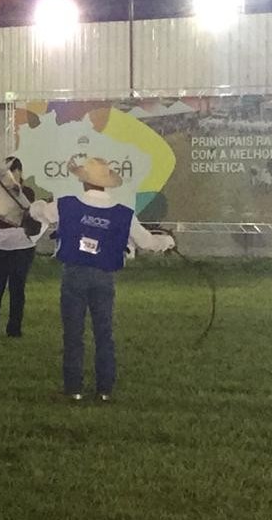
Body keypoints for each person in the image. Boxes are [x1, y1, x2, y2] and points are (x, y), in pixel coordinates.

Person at [28, 157, 174, 402]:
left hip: (74, 273)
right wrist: (167, 241)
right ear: (106, 184)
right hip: (104, 277)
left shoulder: (66, 205)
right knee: (104, 333)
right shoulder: (124, 214)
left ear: (83, 181)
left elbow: (37, 211)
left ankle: (73, 389)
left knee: (73, 334)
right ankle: (104, 389)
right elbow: (147, 242)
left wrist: (36, 205)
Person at [0, 157, 42, 339]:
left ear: (19, 172)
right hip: (0, 246)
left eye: (12, 172)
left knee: (17, 289)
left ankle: (14, 328)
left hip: (22, 247)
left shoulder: (27, 193)